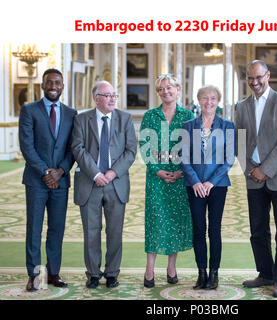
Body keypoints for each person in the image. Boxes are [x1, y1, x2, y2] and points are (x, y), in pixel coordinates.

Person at [235, 60, 277, 298]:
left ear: (268, 75)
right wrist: (251, 169)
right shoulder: (241, 106)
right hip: (254, 178)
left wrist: (266, 170)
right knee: (257, 230)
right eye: (250, 79)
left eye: (258, 77)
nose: (255, 82)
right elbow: (239, 141)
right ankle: (265, 273)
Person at [71, 80, 137, 289]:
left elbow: (130, 151)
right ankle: (92, 274)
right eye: (107, 95)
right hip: (89, 183)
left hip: (116, 184)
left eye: (114, 95)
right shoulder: (82, 119)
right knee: (91, 231)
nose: (112, 99)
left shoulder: (124, 119)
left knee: (114, 232)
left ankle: (112, 273)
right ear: (96, 98)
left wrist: (111, 172)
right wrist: (96, 173)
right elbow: (78, 148)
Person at [19, 68, 77, 291]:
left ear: (63, 86)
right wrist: (45, 172)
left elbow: (73, 148)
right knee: (34, 228)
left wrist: (60, 171)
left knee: (57, 228)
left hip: (60, 182)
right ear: (42, 86)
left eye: (57, 83)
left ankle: (53, 273)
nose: (53, 86)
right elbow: (27, 146)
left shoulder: (72, 114)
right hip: (36, 181)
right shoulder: (29, 110)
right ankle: (34, 275)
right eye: (49, 83)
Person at [139, 74, 193, 288]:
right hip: (156, 178)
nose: (166, 91)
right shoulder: (150, 116)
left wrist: (181, 172)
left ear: (178, 89)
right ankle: (149, 270)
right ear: (158, 93)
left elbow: (192, 149)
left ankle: (172, 268)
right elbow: (144, 147)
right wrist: (157, 170)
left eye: (169, 87)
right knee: (155, 222)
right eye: (162, 89)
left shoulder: (188, 115)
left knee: (175, 221)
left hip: (180, 178)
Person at [180, 85, 235, 290]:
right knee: (198, 229)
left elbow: (229, 159)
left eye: (212, 98)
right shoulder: (188, 126)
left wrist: (210, 182)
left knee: (214, 229)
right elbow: (184, 158)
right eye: (204, 98)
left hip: (217, 186)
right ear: (199, 100)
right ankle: (201, 273)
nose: (208, 102)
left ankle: (214, 274)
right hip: (194, 186)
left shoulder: (227, 126)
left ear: (218, 101)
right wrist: (195, 181)